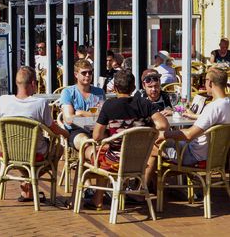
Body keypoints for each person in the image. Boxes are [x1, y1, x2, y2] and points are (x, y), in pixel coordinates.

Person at [86, 70, 169, 208]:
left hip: (116, 159)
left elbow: (96, 136)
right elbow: (163, 124)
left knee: (94, 151)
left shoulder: (109, 105)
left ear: (116, 88)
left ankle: (97, 198)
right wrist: (147, 130)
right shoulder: (144, 104)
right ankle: (136, 192)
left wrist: (111, 137)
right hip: (139, 159)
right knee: (104, 151)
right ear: (133, 88)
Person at [0, 66, 68, 202]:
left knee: (26, 152)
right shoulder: (40, 103)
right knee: (59, 148)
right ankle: (29, 182)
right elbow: (53, 129)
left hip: (9, 151)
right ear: (33, 83)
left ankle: (26, 185)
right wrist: (66, 133)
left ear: (17, 83)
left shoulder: (3, 101)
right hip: (34, 153)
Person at [158, 67, 230, 166]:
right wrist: (194, 116)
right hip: (216, 157)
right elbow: (214, 119)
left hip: (192, 156)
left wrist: (164, 134)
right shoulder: (226, 104)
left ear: (210, 82)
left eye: (205, 80)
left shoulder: (212, 107)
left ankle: (148, 181)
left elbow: (188, 135)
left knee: (151, 146)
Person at [60, 59, 105, 151]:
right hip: (75, 131)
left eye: (90, 72)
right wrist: (93, 118)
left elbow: (102, 115)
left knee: (112, 141)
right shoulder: (68, 92)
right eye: (84, 73)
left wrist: (81, 113)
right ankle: (95, 160)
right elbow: (69, 119)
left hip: (97, 129)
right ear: (76, 75)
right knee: (86, 143)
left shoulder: (99, 92)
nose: (88, 75)